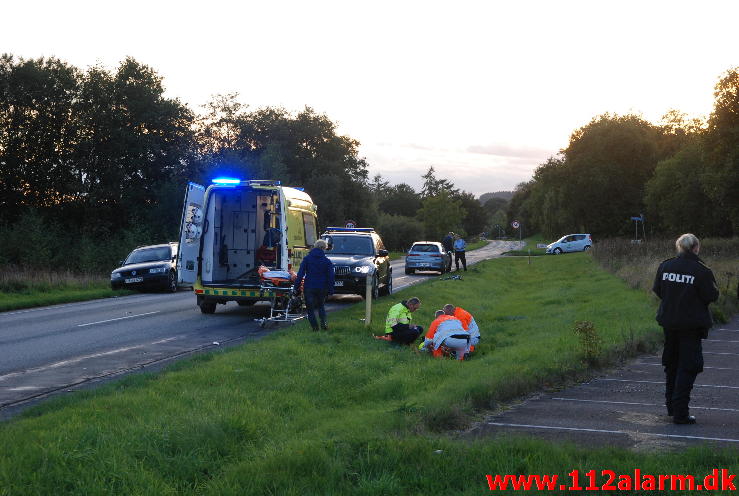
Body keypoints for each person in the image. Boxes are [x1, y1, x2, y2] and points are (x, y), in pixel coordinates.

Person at [652, 233, 719, 425]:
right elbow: (712, 295)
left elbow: (658, 290)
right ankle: (681, 413)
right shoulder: (701, 271)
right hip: (691, 327)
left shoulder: (665, 266)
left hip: (669, 324)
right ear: (696, 248)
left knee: (672, 364)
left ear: (679, 247)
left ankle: (672, 408)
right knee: (688, 366)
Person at [294, 239, 335, 331]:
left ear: (315, 247)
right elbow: (331, 276)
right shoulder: (327, 261)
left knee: (310, 308)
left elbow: (300, 274)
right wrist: (331, 289)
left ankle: (315, 327)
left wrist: (296, 287)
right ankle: (324, 324)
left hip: (309, 287)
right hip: (322, 287)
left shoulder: (307, 259)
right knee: (321, 306)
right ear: (324, 248)